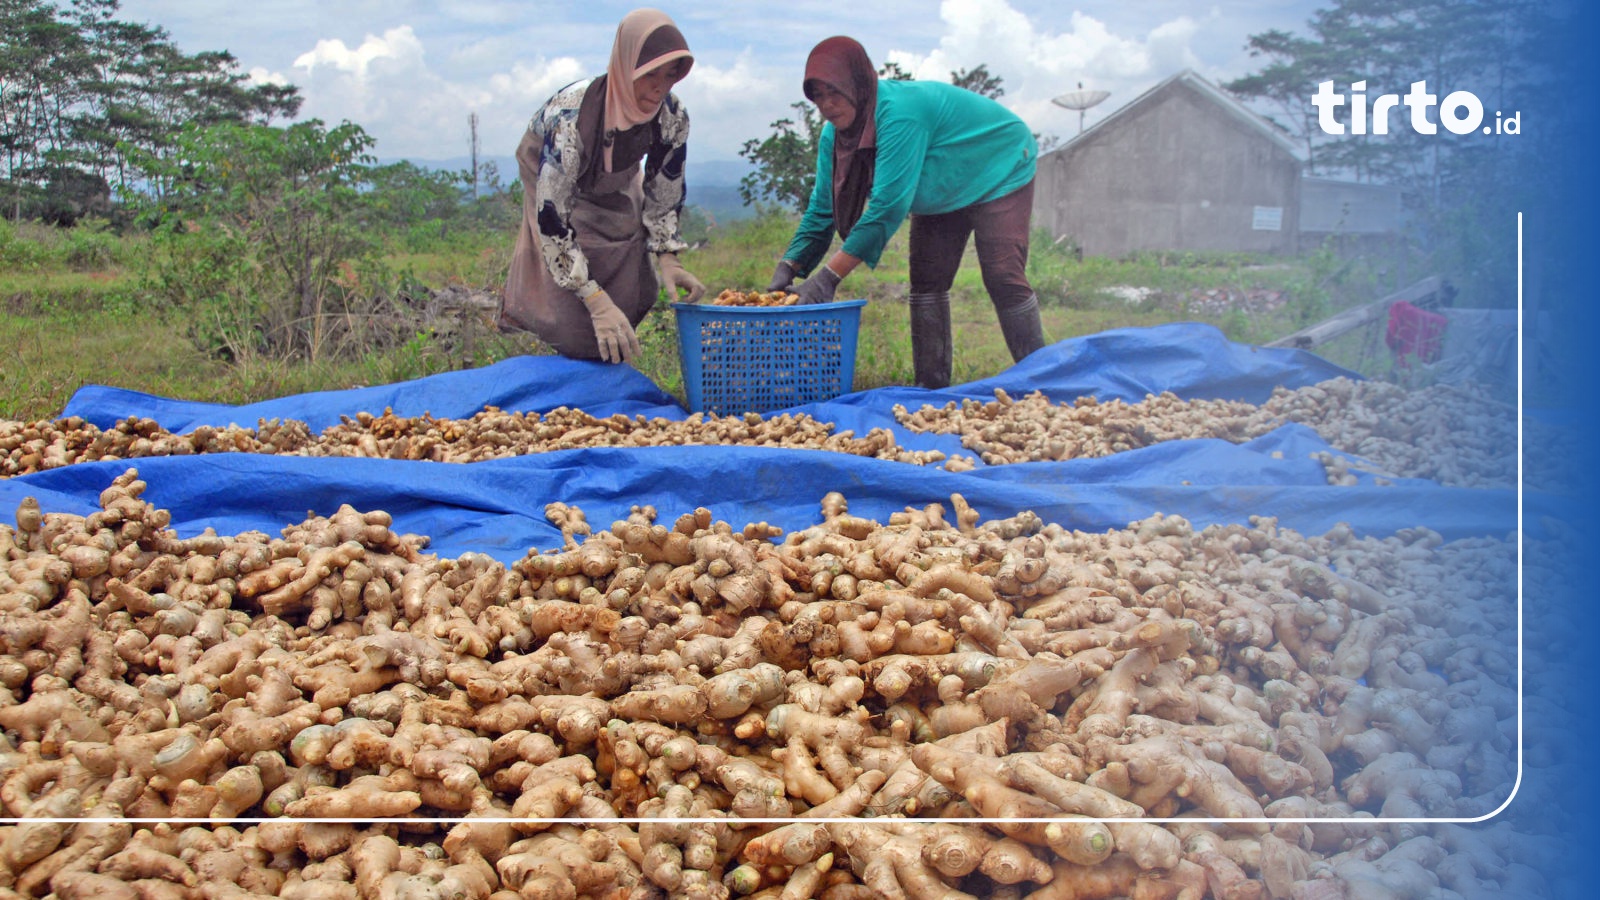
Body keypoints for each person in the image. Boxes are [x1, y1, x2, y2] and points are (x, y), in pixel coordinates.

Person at [768, 36, 1047, 389]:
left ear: (858, 84)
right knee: (927, 281)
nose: (827, 104)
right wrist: (788, 266)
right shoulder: (833, 136)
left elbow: (887, 208)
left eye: (834, 91)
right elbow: (822, 208)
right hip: (943, 186)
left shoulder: (898, 114)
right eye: (818, 96)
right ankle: (931, 390)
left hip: (998, 163)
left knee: (1002, 276)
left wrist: (827, 279)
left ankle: (1044, 382)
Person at [501, 8, 706, 364]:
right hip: (552, 172)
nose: (660, 86)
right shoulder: (571, 120)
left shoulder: (670, 115)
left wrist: (668, 257)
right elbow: (553, 221)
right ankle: (565, 345)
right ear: (626, 68)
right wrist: (595, 301)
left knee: (635, 277)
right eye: (649, 74)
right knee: (571, 320)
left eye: (669, 75)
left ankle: (614, 335)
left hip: (618, 174)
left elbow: (664, 188)